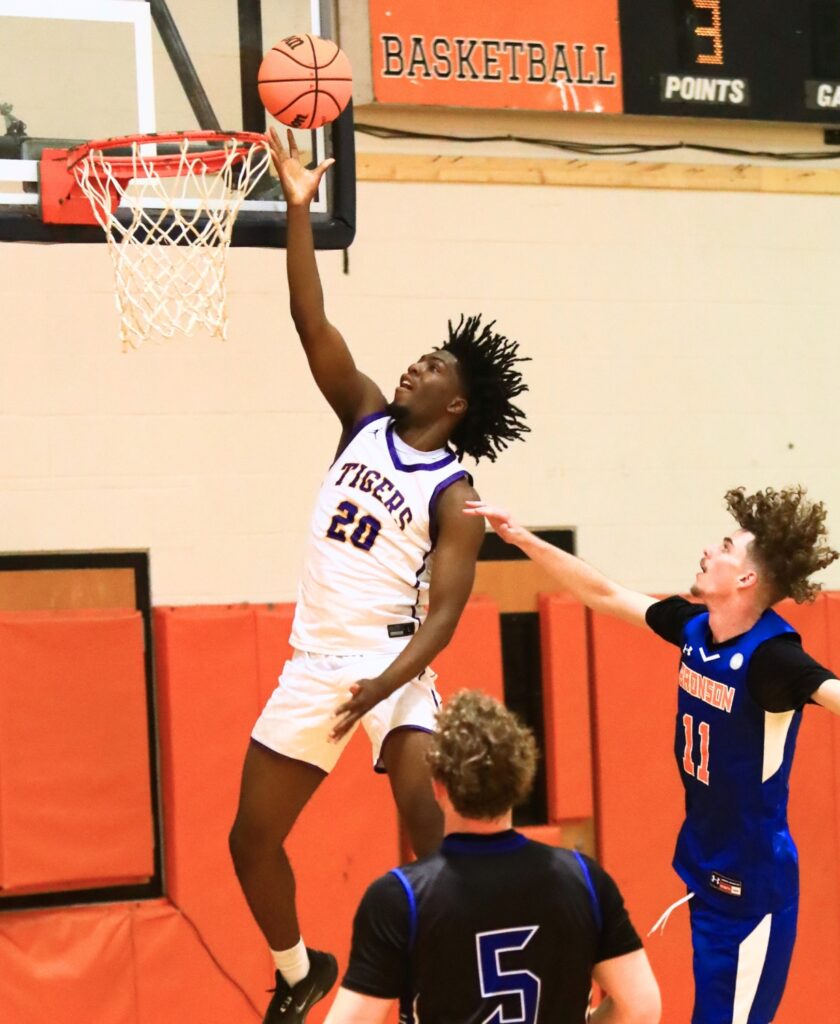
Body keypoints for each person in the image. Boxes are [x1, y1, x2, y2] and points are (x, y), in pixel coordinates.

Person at [465, 486, 840, 1024]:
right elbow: (605, 594)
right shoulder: (694, 629)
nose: (708, 553)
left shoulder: (773, 659)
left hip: (752, 890)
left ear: (745, 579)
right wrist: (520, 537)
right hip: (704, 869)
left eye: (724, 548)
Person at [228, 128, 530, 1024]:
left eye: (432, 365)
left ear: (457, 404)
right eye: (418, 357)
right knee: (250, 842)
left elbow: (444, 619)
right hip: (314, 662)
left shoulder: (456, 491)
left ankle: (438, 978)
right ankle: (298, 973)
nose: (412, 364)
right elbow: (310, 321)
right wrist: (292, 206)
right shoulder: (361, 415)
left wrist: (385, 688)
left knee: (422, 810)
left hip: (393, 663)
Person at [323, 689, 661, 1024]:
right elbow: (640, 1008)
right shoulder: (584, 880)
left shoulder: (401, 896)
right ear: (521, 778)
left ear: (438, 785)